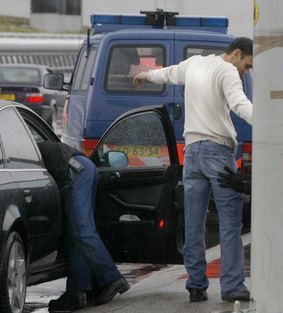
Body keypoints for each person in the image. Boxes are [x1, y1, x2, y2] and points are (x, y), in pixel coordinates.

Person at [133, 37, 253, 303]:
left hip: (193, 154)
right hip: (218, 153)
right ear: (236, 54)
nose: (246, 71)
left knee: (194, 223)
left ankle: (196, 285)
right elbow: (239, 104)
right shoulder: (228, 71)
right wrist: (270, 121)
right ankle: (232, 286)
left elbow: (169, 73)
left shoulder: (195, 64)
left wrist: (145, 75)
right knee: (231, 223)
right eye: (247, 65)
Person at [37, 141, 129, 313]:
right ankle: (76, 292)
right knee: (76, 234)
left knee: (82, 231)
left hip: (76, 172)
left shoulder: (24, 152)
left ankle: (112, 279)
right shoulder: (34, 144)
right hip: (84, 166)